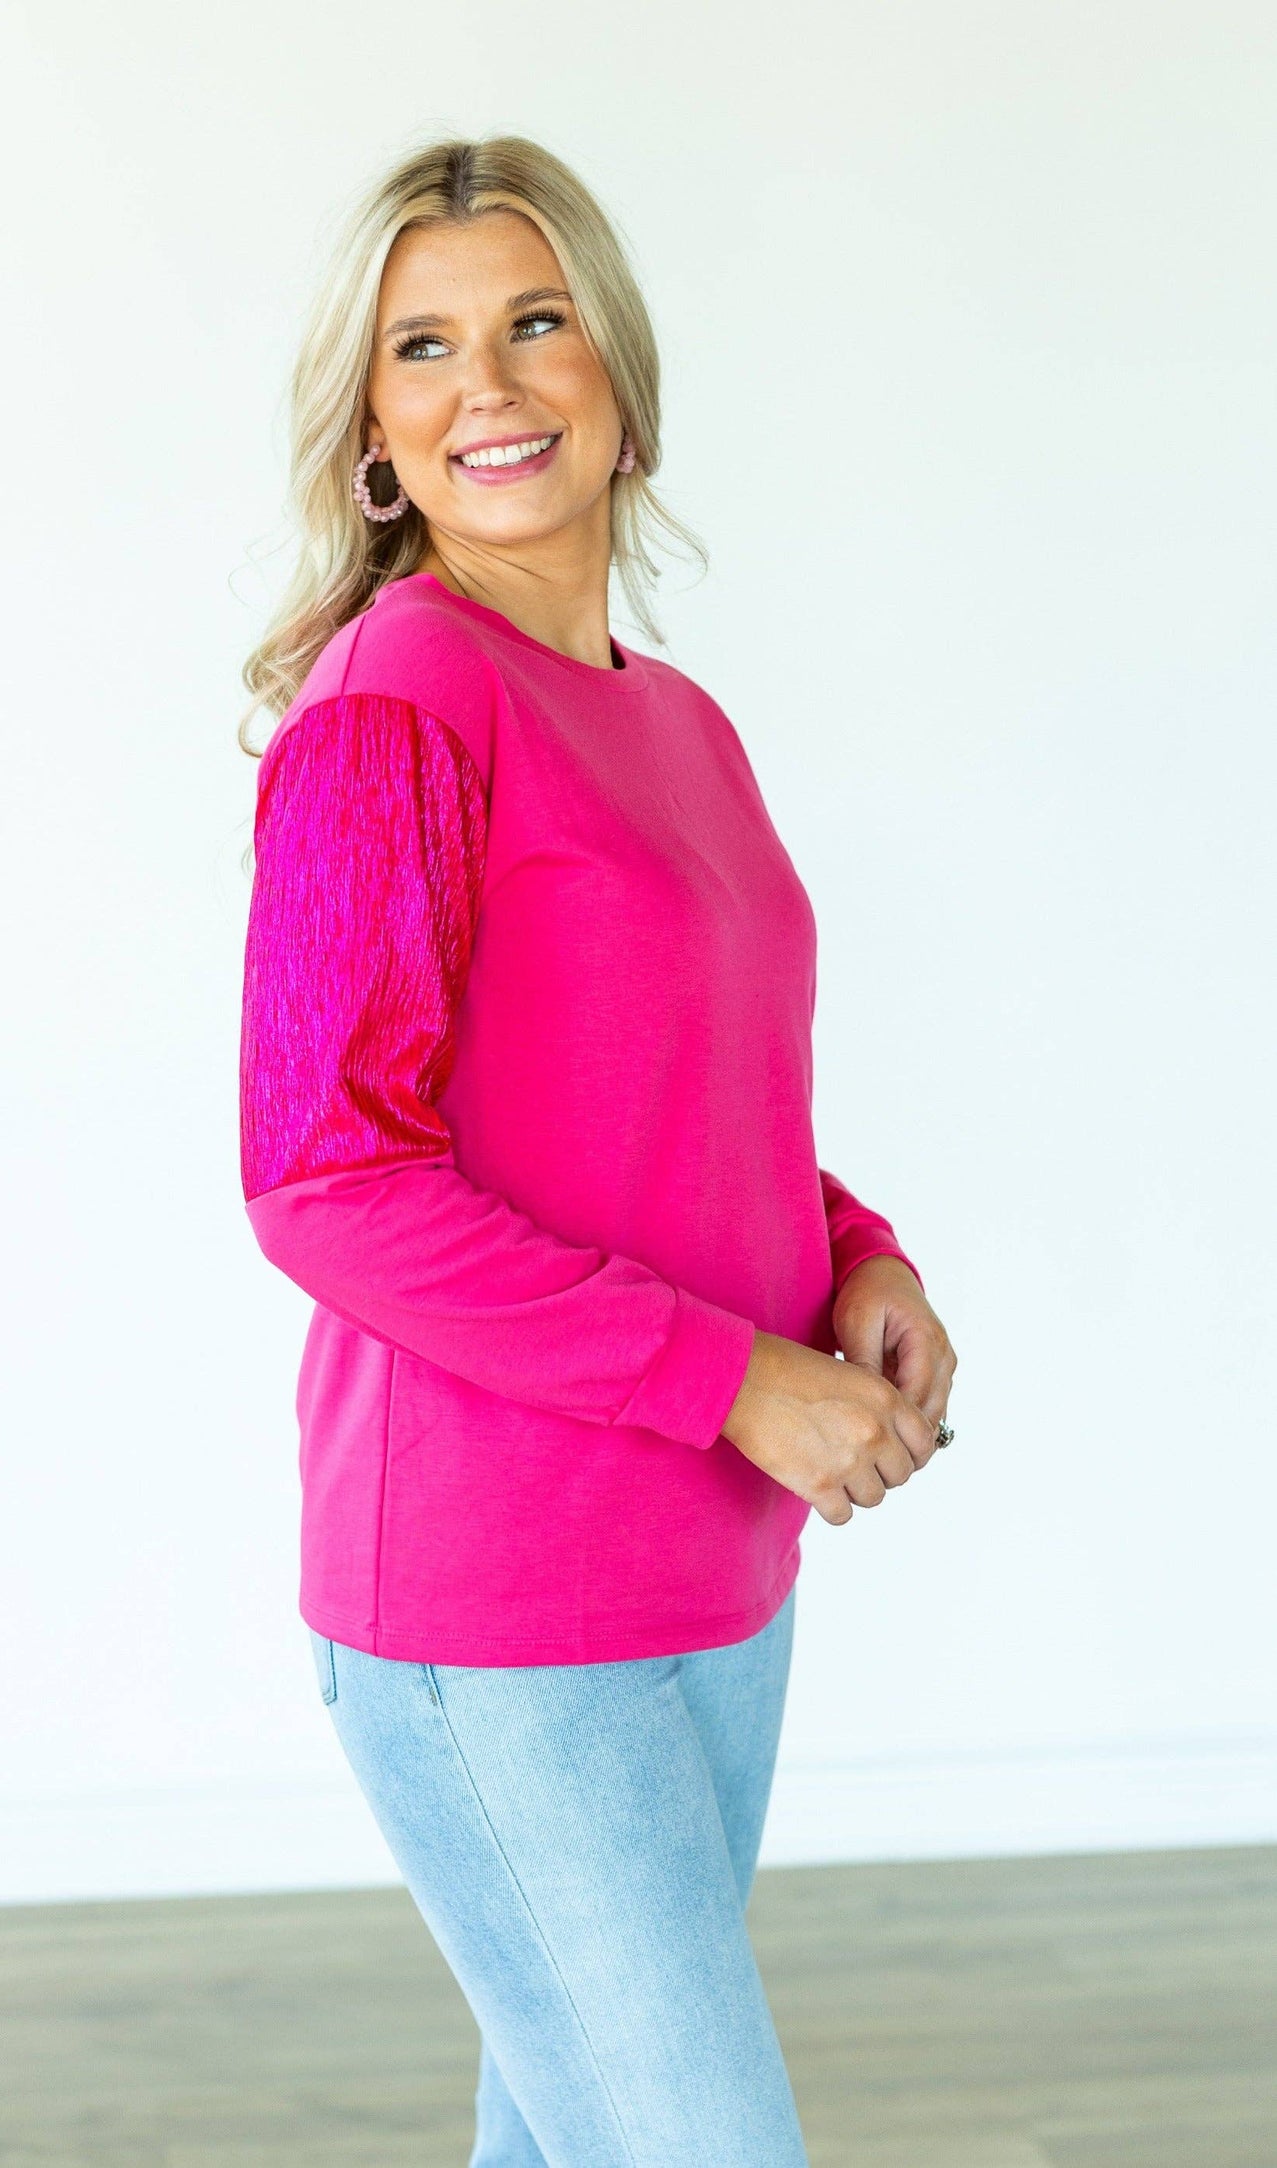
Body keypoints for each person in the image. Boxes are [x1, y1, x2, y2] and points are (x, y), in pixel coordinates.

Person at [237, 133, 956, 2168]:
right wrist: (741, 1376)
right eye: (426, 348)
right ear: (376, 435)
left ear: (618, 376)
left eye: (536, 322)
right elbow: (326, 1176)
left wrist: (860, 1264)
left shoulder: (684, 726)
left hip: (713, 1561)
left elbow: (702, 1107)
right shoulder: (393, 707)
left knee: (575, 2141)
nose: (491, 385)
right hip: (494, 1595)